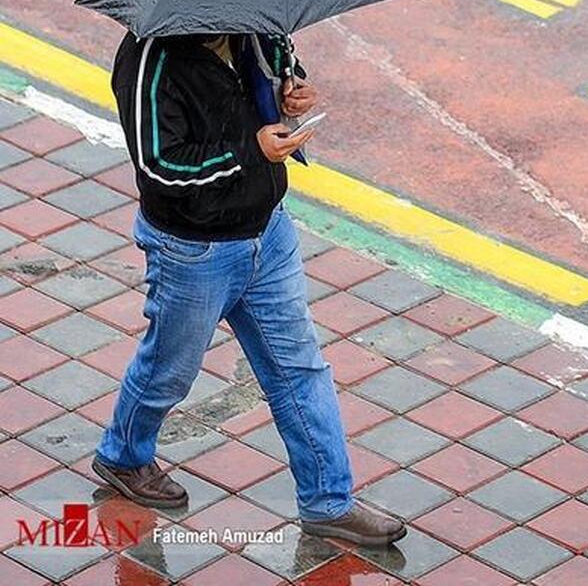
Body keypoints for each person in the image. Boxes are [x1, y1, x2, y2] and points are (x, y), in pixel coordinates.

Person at [93, 31, 406, 546]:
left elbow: (281, 67)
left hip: (268, 231)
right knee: (170, 371)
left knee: (300, 369)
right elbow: (158, 165)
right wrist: (250, 149)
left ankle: (329, 502)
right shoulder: (149, 57)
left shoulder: (256, 28)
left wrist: (291, 90)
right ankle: (125, 455)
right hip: (193, 251)